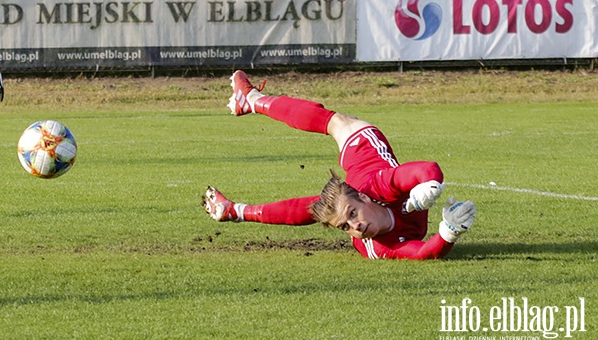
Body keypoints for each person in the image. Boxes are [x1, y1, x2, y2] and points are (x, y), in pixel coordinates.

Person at [201, 70, 477, 260]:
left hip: (365, 156)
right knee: (319, 208)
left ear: (365, 198)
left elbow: (424, 169)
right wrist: (448, 232)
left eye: (353, 215)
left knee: (336, 122)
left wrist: (428, 184)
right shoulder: (378, 246)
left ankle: (253, 101)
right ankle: (250, 101)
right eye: (345, 227)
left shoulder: (379, 186)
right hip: (359, 181)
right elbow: (422, 253)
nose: (355, 228)